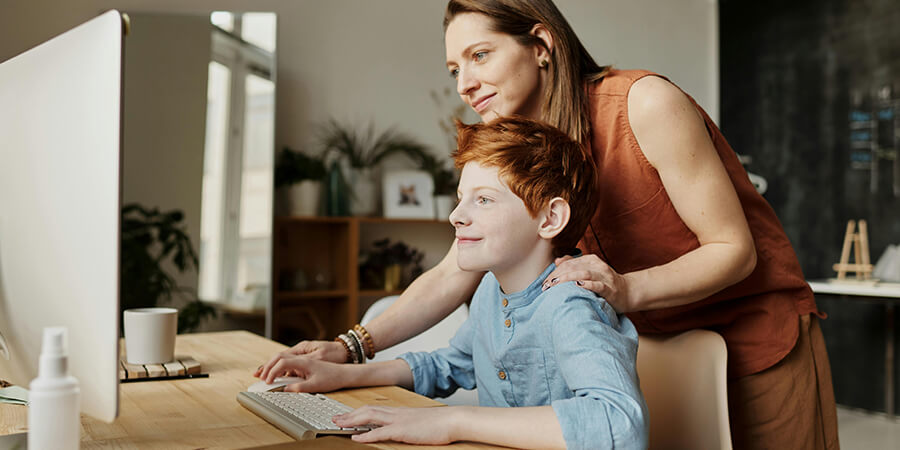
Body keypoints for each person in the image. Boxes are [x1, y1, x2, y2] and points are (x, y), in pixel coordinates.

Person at [257, 1, 838, 448]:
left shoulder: (643, 104)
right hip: (653, 344)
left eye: (480, 56)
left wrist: (625, 288)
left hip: (758, 340)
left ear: (541, 43)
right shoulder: (529, 149)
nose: (464, 84)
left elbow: (733, 250)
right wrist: (349, 347)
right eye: (455, 68)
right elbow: (455, 270)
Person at [258, 117, 648, 449]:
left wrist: (454, 422)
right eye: (461, 198)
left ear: (549, 219)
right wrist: (345, 373)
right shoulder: (490, 293)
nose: (456, 216)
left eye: (484, 200)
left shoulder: (570, 306)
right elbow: (451, 365)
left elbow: (619, 422)